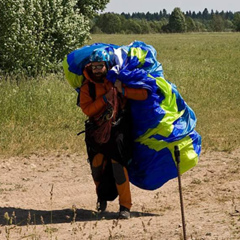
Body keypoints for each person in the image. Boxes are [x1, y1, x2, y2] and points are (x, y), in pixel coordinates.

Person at [79, 48, 148, 219]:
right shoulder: (87, 87)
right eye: (94, 66)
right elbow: (87, 110)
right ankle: (101, 196)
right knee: (96, 166)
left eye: (100, 66)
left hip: (118, 129)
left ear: (107, 66)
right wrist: (105, 98)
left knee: (118, 166)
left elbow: (144, 94)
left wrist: (122, 91)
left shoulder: (118, 80)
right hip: (96, 130)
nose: (96, 70)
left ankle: (125, 206)